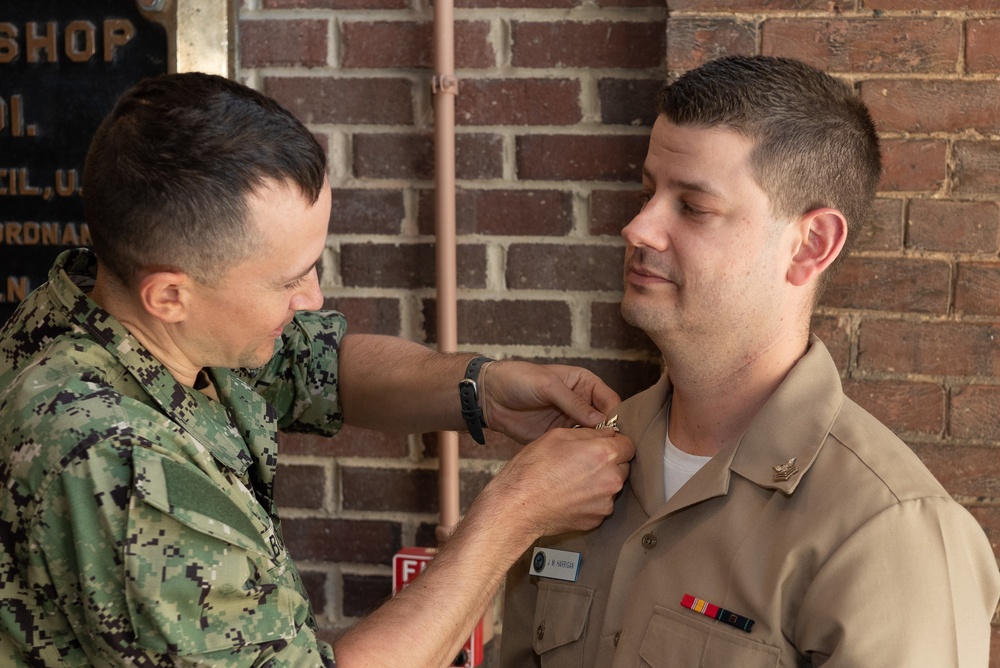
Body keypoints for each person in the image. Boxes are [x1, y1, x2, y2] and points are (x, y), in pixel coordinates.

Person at [0, 72, 636, 667]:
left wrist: (484, 391)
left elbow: (318, 365)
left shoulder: (111, 304)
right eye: (287, 280)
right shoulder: (116, 465)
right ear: (169, 294)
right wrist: (512, 515)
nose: (313, 298)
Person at [500, 55, 1000, 667]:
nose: (638, 227)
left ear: (809, 245)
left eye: (694, 207)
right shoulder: (574, 470)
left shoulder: (889, 532)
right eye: (647, 192)